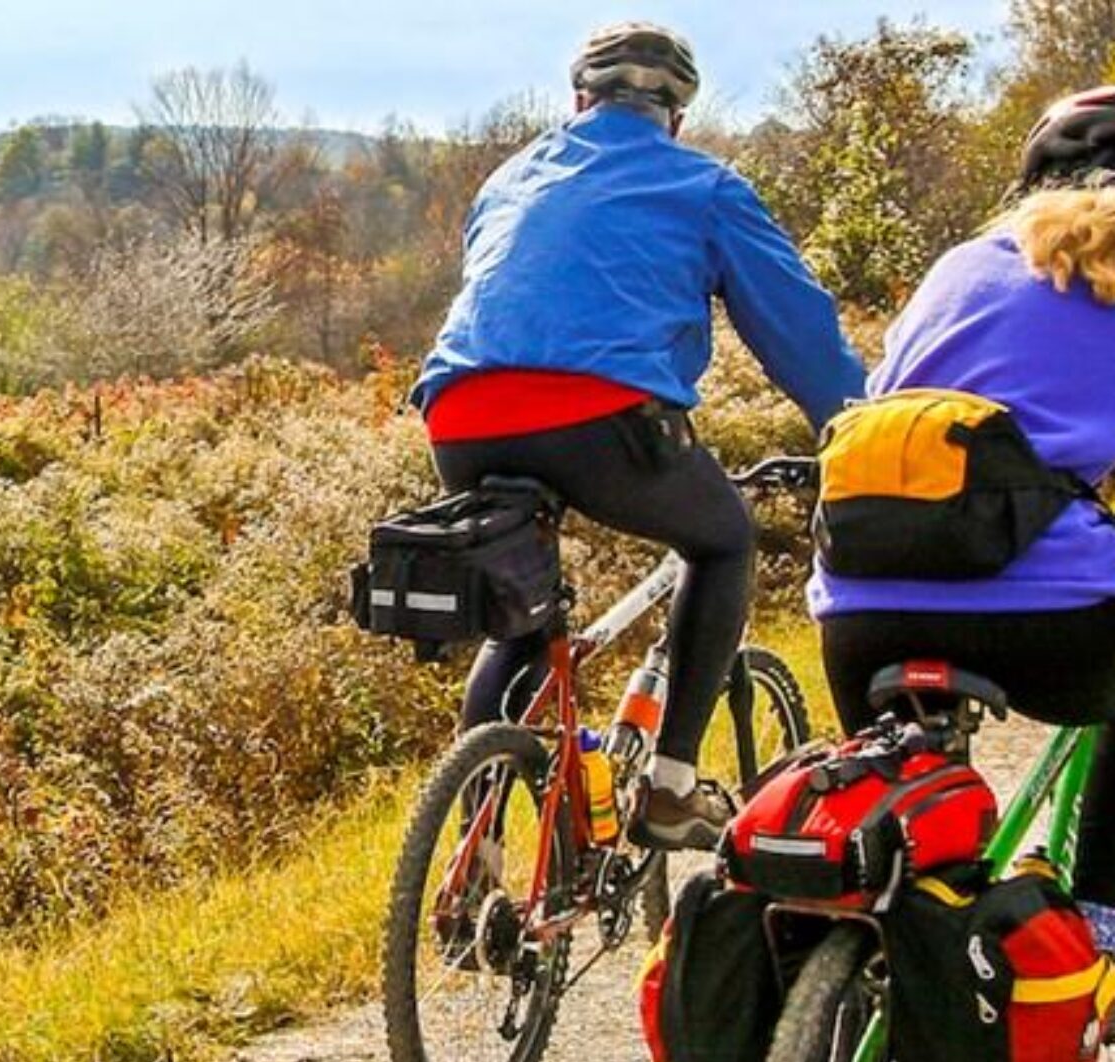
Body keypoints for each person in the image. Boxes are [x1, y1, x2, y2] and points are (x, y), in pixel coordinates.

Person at [413, 21, 866, 850]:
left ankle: (475, 853)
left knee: (521, 616)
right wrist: (857, 425)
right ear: (677, 116)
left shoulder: (510, 178)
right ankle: (668, 789)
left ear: (580, 100)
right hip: (598, 418)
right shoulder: (704, 186)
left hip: (460, 415)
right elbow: (797, 330)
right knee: (724, 540)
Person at [810, 86, 1115, 945]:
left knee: (899, 827)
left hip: (859, 614)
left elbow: (886, 408)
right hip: (1049, 629)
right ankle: (1100, 928)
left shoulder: (959, 266)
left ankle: (864, 975)